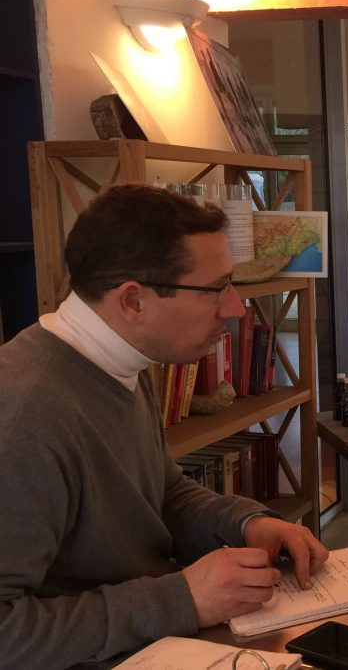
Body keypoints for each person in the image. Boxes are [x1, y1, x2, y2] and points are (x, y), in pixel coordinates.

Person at [0, 184, 330, 667]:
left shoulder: (123, 358)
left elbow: (162, 493)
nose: (236, 307)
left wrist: (247, 523)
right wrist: (181, 599)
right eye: (216, 289)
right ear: (133, 301)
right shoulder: (23, 418)